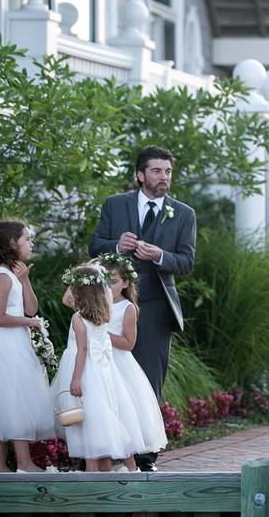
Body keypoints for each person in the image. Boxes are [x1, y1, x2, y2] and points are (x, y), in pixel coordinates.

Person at [89, 146, 196, 471]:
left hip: (155, 309)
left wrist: (160, 256)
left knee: (148, 382)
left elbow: (187, 262)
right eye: (156, 171)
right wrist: (115, 246)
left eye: (167, 172)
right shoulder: (114, 204)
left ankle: (145, 455)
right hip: (113, 307)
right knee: (110, 378)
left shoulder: (183, 213)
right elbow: (95, 245)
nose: (163, 178)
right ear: (140, 175)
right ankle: (114, 450)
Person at [0, 220, 54, 473]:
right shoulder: (3, 278)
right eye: (27, 239)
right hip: (3, 346)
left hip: (12, 343)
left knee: (8, 400)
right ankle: (24, 462)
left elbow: (31, 308)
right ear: (11, 243)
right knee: (14, 400)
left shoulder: (12, 276)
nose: (31, 243)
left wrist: (26, 280)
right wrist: (29, 323)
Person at [51, 264, 144, 472]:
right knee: (102, 417)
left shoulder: (79, 318)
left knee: (88, 422)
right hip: (102, 372)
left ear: (79, 292)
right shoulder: (105, 314)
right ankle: (113, 468)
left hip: (83, 372)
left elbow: (82, 349)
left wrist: (75, 379)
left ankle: (92, 471)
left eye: (74, 287)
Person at [96, 253, 168, 470]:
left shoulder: (127, 308)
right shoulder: (96, 303)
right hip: (98, 363)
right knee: (101, 407)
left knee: (123, 409)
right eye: (104, 280)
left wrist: (100, 335)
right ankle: (103, 457)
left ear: (126, 282)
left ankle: (129, 461)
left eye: (114, 281)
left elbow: (128, 343)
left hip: (119, 363)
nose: (109, 286)